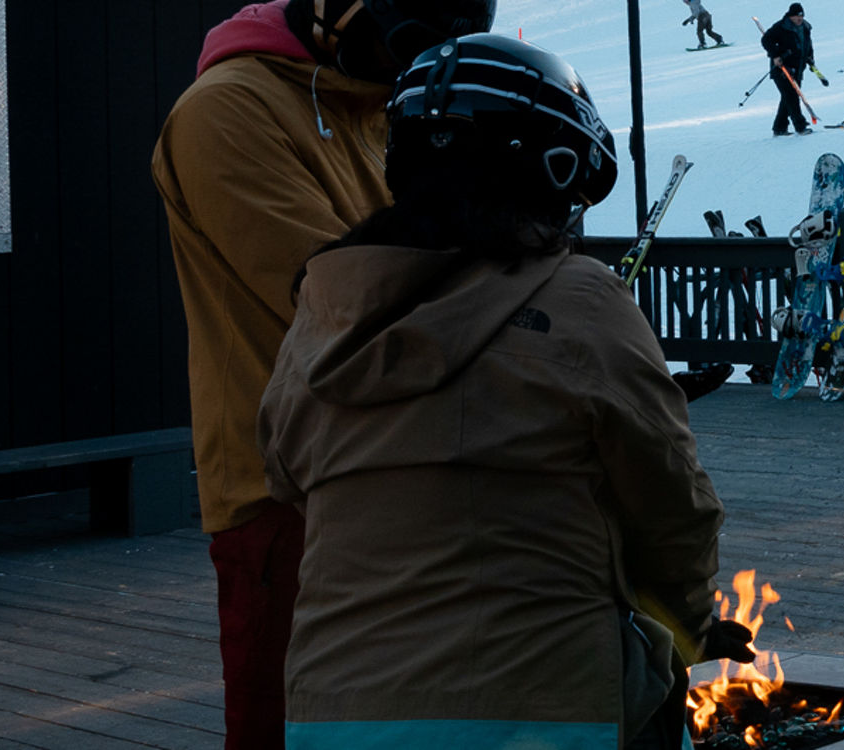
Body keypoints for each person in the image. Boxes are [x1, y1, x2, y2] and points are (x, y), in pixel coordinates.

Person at [256, 33, 752, 749]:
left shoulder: (323, 313)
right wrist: (691, 622)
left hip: (330, 711)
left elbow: (283, 469)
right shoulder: (579, 298)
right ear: (550, 170)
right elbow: (674, 505)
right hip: (542, 711)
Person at [149, 2, 491, 747]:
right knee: (291, 726)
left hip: (408, 477)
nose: (415, 70)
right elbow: (344, 297)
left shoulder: (376, 106)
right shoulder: (225, 113)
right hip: (288, 495)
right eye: (406, 46)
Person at [761, 3, 824, 136]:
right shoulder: (781, 27)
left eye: (801, 16)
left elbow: (808, 46)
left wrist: (811, 59)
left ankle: (779, 128)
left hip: (798, 69)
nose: (799, 18)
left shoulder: (805, 27)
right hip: (782, 69)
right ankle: (800, 126)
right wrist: (775, 55)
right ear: (790, 16)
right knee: (792, 97)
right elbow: (766, 40)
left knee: (787, 99)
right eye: (796, 16)